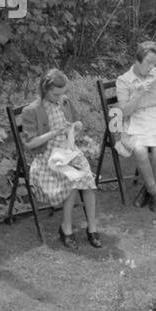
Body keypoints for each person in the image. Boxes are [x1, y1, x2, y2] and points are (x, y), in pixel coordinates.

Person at [19, 69, 101, 247]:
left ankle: (92, 228)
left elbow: (77, 122)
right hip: (46, 157)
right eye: (55, 94)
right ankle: (66, 229)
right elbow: (29, 144)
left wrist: (75, 126)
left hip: (68, 152)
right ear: (44, 89)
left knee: (87, 180)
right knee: (71, 181)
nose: (60, 97)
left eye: (62, 93)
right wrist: (54, 132)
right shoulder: (32, 110)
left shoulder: (64, 102)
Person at [114, 41, 156, 212]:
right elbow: (124, 112)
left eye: (155, 63)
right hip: (134, 119)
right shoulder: (124, 80)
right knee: (140, 150)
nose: (152, 67)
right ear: (137, 60)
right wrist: (139, 92)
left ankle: (147, 189)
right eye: (149, 63)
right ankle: (154, 192)